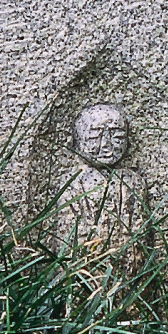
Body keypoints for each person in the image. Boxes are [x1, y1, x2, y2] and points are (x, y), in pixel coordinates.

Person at [52, 101, 153, 300]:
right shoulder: (73, 184)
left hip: (129, 273)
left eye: (116, 136)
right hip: (86, 275)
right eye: (96, 136)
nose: (106, 145)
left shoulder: (134, 182)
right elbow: (66, 239)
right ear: (78, 140)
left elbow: (141, 233)